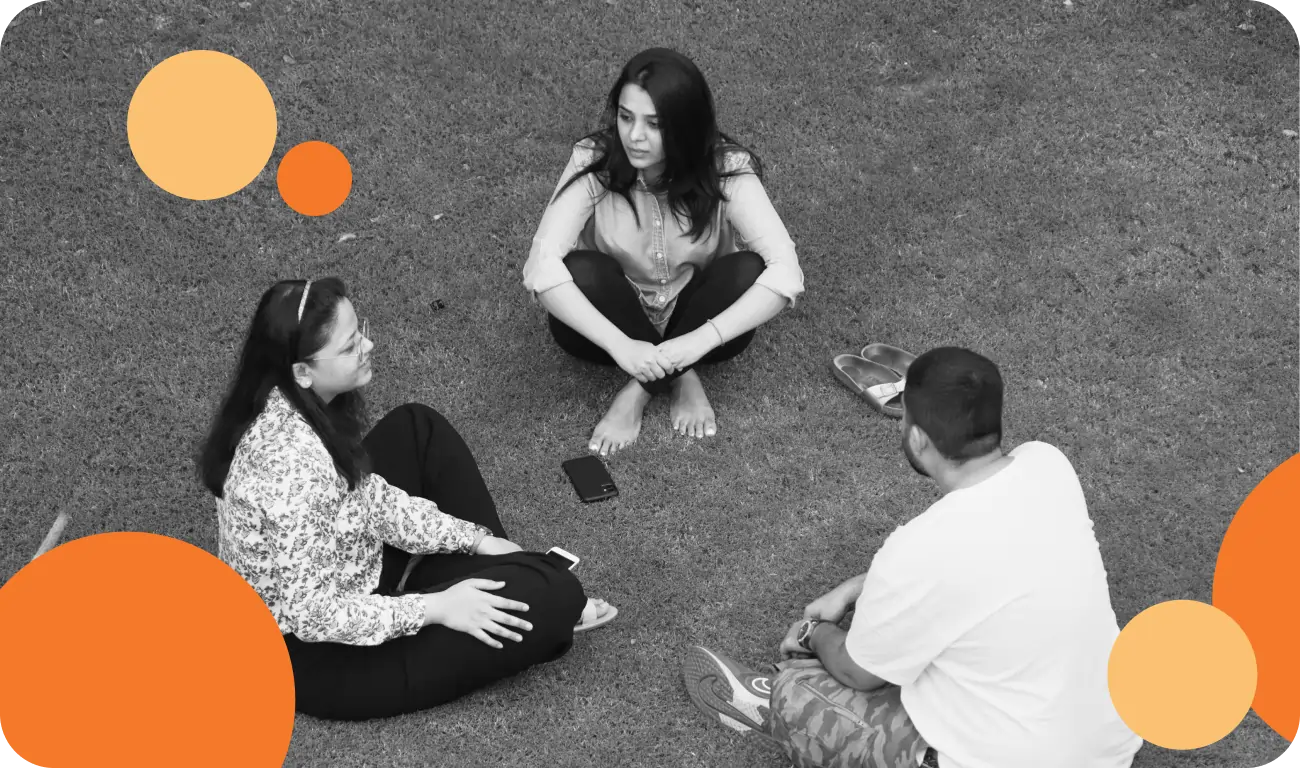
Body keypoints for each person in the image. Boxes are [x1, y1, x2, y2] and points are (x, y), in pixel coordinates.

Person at [682, 347, 1145, 768]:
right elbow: (983, 555)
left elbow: (856, 672)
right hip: (1109, 748)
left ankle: (771, 707)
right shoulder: (1048, 465)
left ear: (919, 439)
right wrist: (852, 588)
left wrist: (814, 632)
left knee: (801, 689)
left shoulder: (916, 550)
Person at [197, 277, 617, 721]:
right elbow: (314, 616)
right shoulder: (290, 473)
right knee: (558, 594)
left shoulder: (294, 399)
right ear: (302, 370)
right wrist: (434, 608)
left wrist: (474, 539)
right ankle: (502, 590)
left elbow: (367, 498)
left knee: (418, 428)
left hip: (353, 566)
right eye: (349, 347)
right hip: (317, 653)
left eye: (359, 331)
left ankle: (493, 580)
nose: (369, 345)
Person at [522, 47, 805, 457]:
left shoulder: (725, 167)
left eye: (654, 124)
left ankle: (644, 388)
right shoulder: (594, 160)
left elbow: (786, 273)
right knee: (581, 270)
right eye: (625, 116)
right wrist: (623, 347)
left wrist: (695, 344)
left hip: (699, 321)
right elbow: (540, 267)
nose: (634, 136)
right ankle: (677, 378)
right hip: (607, 326)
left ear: (684, 126)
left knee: (748, 270)